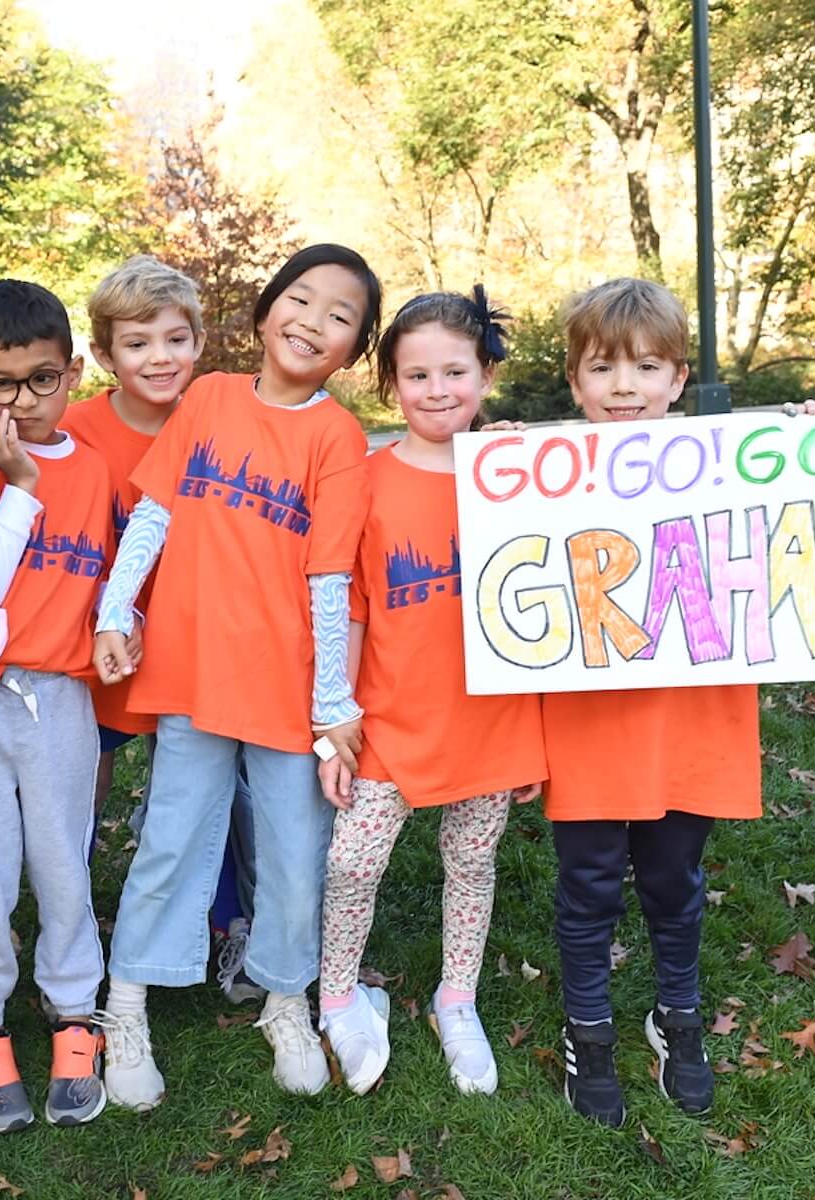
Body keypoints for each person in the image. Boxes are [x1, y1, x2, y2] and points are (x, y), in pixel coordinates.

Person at [91, 244, 382, 1108]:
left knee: (296, 854)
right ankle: (129, 999)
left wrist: (333, 703)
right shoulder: (209, 397)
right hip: (194, 672)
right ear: (262, 313)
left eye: (341, 316)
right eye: (300, 299)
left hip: (287, 689)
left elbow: (331, 579)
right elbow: (155, 512)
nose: (314, 322)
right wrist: (115, 610)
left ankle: (286, 999)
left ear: (354, 348)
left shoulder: (338, 437)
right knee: (173, 836)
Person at [315, 288, 546, 1096]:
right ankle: (338, 995)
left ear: (486, 375)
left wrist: (535, 736)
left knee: (472, 861)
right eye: (418, 374)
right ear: (391, 384)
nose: (438, 389)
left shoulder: (521, 476)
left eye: (456, 370)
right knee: (351, 864)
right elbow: (347, 608)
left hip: (492, 717)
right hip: (389, 717)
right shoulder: (367, 480)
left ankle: (458, 998)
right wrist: (332, 721)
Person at [544, 279, 765, 1126]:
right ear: (575, 381)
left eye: (647, 366)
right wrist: (497, 463)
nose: (625, 387)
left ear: (679, 379)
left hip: (691, 722)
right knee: (590, 883)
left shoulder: (730, 464)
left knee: (674, 878)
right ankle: (589, 1030)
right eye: (603, 367)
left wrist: (804, 444)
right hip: (589, 726)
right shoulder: (537, 474)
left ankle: (678, 1014)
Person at [0, 281, 113, 1132]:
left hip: (62, 694)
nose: (26, 400)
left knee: (64, 861)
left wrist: (126, 622)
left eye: (44, 379)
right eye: (5, 383)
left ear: (72, 372)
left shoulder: (99, 469)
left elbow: (111, 582)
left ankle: (76, 1010)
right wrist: (17, 481)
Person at [62, 255, 261, 1005]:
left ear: (200, 342)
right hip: (104, 644)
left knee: (214, 789)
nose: (159, 358)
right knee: (88, 779)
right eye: (137, 343)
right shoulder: (77, 431)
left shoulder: (230, 419)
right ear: (106, 357)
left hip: (205, 645)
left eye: (175, 339)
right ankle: (72, 927)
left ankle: (232, 923)